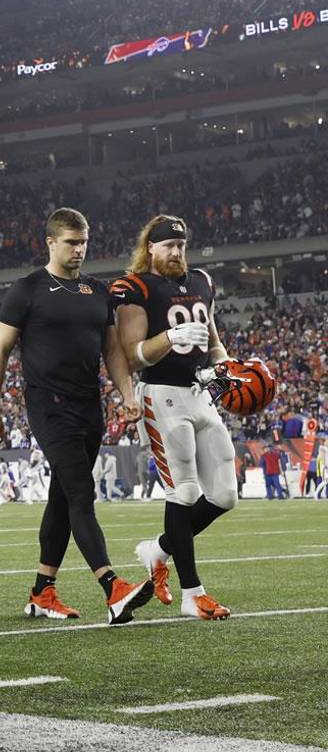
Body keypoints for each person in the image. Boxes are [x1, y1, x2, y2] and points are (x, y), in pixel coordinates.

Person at [0, 207, 151, 625]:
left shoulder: (98, 291)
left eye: (84, 242)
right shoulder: (27, 290)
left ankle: (42, 592)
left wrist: (127, 393)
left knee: (62, 496)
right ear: (51, 243)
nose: (79, 250)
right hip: (48, 406)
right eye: (71, 242)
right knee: (80, 493)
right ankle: (113, 588)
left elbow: (112, 350)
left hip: (88, 405)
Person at [113, 214, 239, 620]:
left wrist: (226, 370)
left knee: (224, 495)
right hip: (162, 394)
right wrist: (170, 337)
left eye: (181, 246)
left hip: (200, 393)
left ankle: (159, 550)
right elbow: (132, 356)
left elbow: (214, 341)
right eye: (168, 246)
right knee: (183, 492)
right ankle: (192, 594)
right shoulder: (137, 288)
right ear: (150, 247)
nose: (175, 253)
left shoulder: (202, 280)